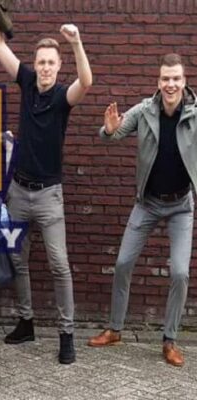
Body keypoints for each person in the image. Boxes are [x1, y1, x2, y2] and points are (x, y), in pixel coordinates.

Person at [0, 13, 92, 363]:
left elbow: (86, 82)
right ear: (35, 64)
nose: (45, 68)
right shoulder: (28, 82)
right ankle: (26, 322)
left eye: (51, 63)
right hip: (18, 191)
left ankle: (66, 334)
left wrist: (76, 42)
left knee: (59, 263)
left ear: (59, 67)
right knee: (17, 258)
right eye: (41, 62)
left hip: (49, 195)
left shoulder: (62, 97)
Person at [87, 54, 197, 368]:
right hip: (147, 203)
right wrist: (109, 129)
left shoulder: (194, 114)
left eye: (176, 78)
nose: (171, 84)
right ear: (158, 82)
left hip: (180, 206)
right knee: (123, 263)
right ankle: (115, 329)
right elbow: (111, 133)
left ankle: (170, 340)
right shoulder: (145, 110)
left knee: (180, 272)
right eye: (165, 79)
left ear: (184, 81)